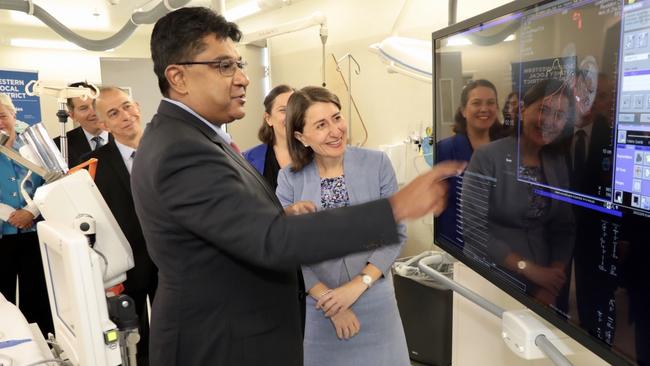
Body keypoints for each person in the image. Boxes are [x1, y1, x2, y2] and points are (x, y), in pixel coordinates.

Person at [131, 7, 464, 366]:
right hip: (221, 344)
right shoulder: (184, 149)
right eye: (225, 66)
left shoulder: (194, 138)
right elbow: (274, 242)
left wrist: (280, 216)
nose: (242, 78)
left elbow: (241, 227)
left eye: (240, 64)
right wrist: (394, 208)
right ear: (178, 77)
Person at [276, 86, 409, 366]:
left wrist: (358, 286)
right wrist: (330, 301)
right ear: (301, 137)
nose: (335, 131)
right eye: (321, 125)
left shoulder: (377, 164)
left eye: (337, 118)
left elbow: (396, 233)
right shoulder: (290, 179)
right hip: (321, 306)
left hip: (375, 297)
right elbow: (287, 247)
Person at [461, 79, 575, 310]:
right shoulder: (488, 156)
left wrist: (551, 281)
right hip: (492, 274)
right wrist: (530, 270)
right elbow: (473, 229)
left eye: (560, 115)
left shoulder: (557, 163)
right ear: (523, 110)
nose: (550, 121)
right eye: (543, 110)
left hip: (544, 281)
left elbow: (565, 226)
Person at [83, 87, 157, 365]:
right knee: (132, 338)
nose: (125, 116)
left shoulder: (168, 149)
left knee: (174, 329)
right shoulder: (93, 165)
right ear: (103, 124)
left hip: (172, 257)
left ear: (137, 106)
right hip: (126, 263)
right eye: (114, 113)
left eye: (127, 106)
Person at [0, 93, 53, 337]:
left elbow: (53, 181)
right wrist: (9, 214)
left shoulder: (36, 144)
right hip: (3, 234)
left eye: (2, 115)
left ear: (14, 114)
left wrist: (30, 211)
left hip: (35, 232)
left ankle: (42, 348)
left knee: (38, 297)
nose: (0, 122)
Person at [436, 79, 502, 248]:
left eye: (491, 103)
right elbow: (440, 207)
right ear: (464, 110)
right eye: (476, 103)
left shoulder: (507, 148)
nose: (484, 109)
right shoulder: (445, 150)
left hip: (502, 248)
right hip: (459, 245)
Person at [243, 84, 295, 190]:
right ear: (268, 118)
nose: (291, 115)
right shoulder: (247, 160)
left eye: (294, 109)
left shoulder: (316, 154)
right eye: (283, 110)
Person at [53, 81, 113, 167]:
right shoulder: (60, 146)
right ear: (72, 115)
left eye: (95, 104)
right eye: (84, 108)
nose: (94, 112)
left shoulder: (123, 136)